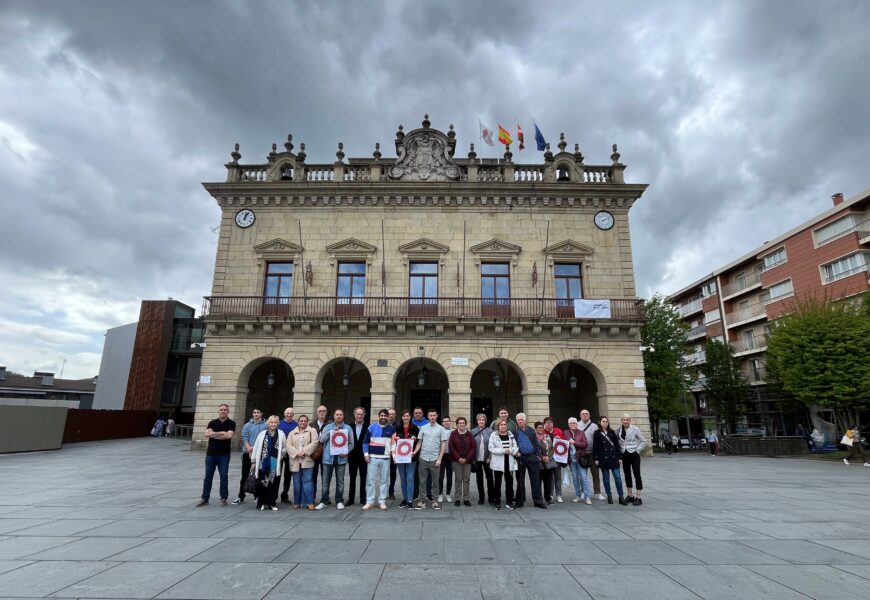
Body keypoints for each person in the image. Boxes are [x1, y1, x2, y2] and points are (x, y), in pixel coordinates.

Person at [197, 404, 236, 507]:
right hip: (211, 454)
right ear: (218, 411)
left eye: (225, 410)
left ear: (228, 411)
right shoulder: (212, 422)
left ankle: (223, 498)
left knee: (224, 476)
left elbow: (229, 436)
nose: (223, 411)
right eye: (221, 410)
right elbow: (207, 434)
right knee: (208, 476)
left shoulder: (231, 423)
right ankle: (205, 498)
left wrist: (214, 434)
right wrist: (222, 433)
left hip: (224, 455)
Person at [316, 408, 353, 510]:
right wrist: (331, 432)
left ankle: (339, 500)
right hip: (328, 459)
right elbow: (321, 440)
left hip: (341, 459)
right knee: (325, 482)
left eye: (341, 414)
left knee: (340, 482)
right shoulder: (328, 427)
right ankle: (324, 500)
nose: (339, 416)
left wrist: (346, 452)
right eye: (337, 414)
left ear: (343, 416)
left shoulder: (348, 428)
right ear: (334, 416)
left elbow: (351, 444)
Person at [250, 415, 287, 510]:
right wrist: (254, 461)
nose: (273, 424)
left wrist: (282, 454)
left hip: (274, 462)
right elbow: (256, 447)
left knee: (273, 482)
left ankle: (272, 503)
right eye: (271, 422)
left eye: (275, 422)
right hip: (263, 462)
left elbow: (284, 446)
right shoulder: (262, 434)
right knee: (263, 482)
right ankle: (261, 503)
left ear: (278, 423)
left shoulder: (281, 434)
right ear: (268, 423)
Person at [362, 409, 396, 510]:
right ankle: (369, 501)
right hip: (372, 458)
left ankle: (382, 501)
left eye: (385, 416)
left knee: (384, 481)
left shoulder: (392, 429)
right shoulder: (371, 427)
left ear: (388, 417)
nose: (383, 417)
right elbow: (365, 442)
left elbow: (394, 444)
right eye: (382, 415)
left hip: (386, 458)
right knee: (370, 481)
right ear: (379, 416)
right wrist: (366, 454)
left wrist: (394, 457)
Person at [233, 407, 267, 505]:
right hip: (247, 453)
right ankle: (241, 496)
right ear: (252, 414)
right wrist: (249, 449)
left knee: (258, 476)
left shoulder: (265, 425)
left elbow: (265, 438)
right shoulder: (247, 425)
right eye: (254, 412)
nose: (256, 414)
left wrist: (254, 449)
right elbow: (245, 437)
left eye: (258, 412)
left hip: (260, 454)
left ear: (261, 413)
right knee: (244, 476)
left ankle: (257, 496)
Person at [413, 408, 446, 510]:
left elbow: (443, 444)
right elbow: (419, 442)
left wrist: (440, 458)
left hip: (435, 458)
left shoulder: (441, 429)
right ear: (427, 416)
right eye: (430, 415)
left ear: (437, 416)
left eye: (434, 415)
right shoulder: (423, 428)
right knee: (422, 481)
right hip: (423, 458)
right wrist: (414, 452)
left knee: (435, 481)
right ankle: (422, 500)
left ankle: (435, 500)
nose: (432, 417)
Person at [514, 413, 547, 509]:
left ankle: (538, 501)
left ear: (525, 420)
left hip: (532, 457)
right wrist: (516, 453)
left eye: (521, 419)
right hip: (521, 458)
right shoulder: (514, 431)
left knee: (536, 480)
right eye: (518, 420)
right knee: (520, 480)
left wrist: (537, 455)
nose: (520, 421)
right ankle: (520, 500)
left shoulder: (531, 430)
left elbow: (537, 444)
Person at [287, 415, 319, 510]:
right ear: (298, 422)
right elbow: (288, 445)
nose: (303, 423)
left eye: (305, 421)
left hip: (307, 460)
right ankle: (297, 502)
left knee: (308, 481)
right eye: (301, 421)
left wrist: (304, 451)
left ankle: (309, 502)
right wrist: (297, 453)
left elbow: (315, 442)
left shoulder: (312, 431)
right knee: (296, 482)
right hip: (296, 461)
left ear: (307, 422)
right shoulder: (292, 433)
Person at [594, 416, 627, 505]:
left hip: (613, 458)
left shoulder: (612, 432)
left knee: (618, 478)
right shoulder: (597, 433)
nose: (605, 423)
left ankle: (621, 497)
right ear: (600, 422)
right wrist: (596, 458)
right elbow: (595, 447)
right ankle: (609, 496)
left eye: (606, 421)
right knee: (606, 479)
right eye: (603, 421)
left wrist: (620, 457)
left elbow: (616, 445)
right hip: (603, 459)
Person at [487, 419, 519, 510]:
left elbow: (515, 447)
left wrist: (511, 450)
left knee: (509, 483)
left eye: (505, 424)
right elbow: (491, 448)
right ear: (498, 426)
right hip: (498, 463)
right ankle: (497, 501)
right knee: (497, 483)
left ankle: (509, 501)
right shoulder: (494, 435)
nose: (503, 426)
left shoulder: (510, 435)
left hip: (509, 462)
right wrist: (503, 451)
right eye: (501, 424)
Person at [392, 410, 420, 508]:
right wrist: (396, 440)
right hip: (400, 458)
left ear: (410, 417)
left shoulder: (415, 428)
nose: (406, 418)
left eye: (407, 416)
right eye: (404, 416)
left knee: (410, 477)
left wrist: (415, 449)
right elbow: (392, 442)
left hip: (411, 457)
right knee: (403, 478)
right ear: (402, 417)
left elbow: (419, 442)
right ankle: (404, 499)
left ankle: (410, 500)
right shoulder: (396, 427)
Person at [618, 414, 646, 506]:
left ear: (630, 421)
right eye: (624, 420)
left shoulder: (635, 429)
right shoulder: (619, 430)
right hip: (624, 454)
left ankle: (638, 497)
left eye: (627, 420)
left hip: (634, 454)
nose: (625, 421)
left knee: (637, 474)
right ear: (621, 421)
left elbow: (643, 441)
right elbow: (619, 442)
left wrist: (637, 450)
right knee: (627, 475)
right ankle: (630, 495)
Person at [449, 417, 476, 507]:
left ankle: (466, 498)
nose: (462, 424)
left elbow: (473, 447)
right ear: (457, 424)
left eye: (463, 423)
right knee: (458, 479)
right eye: (460, 423)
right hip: (456, 461)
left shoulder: (469, 434)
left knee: (466, 479)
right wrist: (458, 458)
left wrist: (467, 458)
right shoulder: (453, 434)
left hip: (467, 461)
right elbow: (451, 447)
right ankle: (457, 498)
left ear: (466, 424)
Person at [579, 409, 605, 500]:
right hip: (582, 454)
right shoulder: (577, 425)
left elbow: (598, 439)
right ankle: (583, 492)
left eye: (587, 414)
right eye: (583, 414)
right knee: (583, 475)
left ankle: (597, 493)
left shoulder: (594, 426)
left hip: (593, 454)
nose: (585, 415)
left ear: (589, 415)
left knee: (596, 474)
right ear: (580, 416)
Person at [565, 417, 592, 504]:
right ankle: (578, 495)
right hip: (571, 460)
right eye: (571, 423)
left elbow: (585, 444)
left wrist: (574, 442)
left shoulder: (581, 433)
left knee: (583, 478)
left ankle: (587, 496)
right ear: (568, 425)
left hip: (580, 459)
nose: (573, 424)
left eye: (574, 423)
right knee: (575, 478)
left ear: (577, 424)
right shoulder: (565, 433)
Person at [471, 413, 495, 506]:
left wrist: (489, 457)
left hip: (487, 459)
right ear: (477, 421)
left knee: (489, 478)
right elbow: (471, 446)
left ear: (485, 421)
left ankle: (491, 498)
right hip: (477, 459)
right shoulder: (473, 431)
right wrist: (473, 458)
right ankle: (481, 498)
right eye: (479, 420)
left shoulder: (490, 431)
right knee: (479, 479)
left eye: (483, 420)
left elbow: (492, 445)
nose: (481, 421)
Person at [347, 407, 368, 506]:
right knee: (352, 478)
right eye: (357, 414)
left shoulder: (368, 426)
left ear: (364, 415)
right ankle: (351, 498)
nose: (359, 416)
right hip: (352, 456)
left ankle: (363, 498)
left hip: (364, 457)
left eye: (361, 414)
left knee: (363, 478)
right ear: (354, 415)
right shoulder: (349, 426)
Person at [277, 407, 297, 503]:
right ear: (284, 414)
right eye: (287, 413)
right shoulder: (278, 423)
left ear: (293, 414)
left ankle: (285, 494)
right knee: (277, 473)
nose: (289, 415)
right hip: (279, 452)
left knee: (288, 475)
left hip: (291, 453)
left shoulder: (296, 425)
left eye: (290, 413)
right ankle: (274, 494)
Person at [543, 417, 565, 502]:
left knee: (558, 477)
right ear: (544, 424)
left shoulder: (558, 431)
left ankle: (559, 495)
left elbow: (565, 442)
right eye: (547, 422)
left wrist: (561, 439)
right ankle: (550, 494)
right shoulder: (543, 432)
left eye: (551, 422)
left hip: (558, 458)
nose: (549, 424)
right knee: (549, 478)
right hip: (548, 458)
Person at [536, 421, 557, 505]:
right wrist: (542, 457)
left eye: (542, 427)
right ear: (536, 428)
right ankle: (538, 499)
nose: (541, 429)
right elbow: (534, 450)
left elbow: (552, 448)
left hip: (548, 463)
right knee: (537, 482)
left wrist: (548, 457)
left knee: (548, 482)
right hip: (538, 464)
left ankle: (548, 498)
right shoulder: (533, 438)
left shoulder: (547, 436)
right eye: (539, 428)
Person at [311, 404, 329, 496]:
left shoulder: (330, 424)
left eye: (323, 411)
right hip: (314, 454)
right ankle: (312, 497)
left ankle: (325, 498)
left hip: (326, 454)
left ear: (326, 413)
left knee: (325, 477)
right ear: (317, 413)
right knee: (312, 476)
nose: (321, 413)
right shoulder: (311, 424)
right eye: (320, 411)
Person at [438, 416, 454, 503]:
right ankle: (440, 494)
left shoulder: (454, 432)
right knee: (440, 476)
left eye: (448, 421)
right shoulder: (439, 431)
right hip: (441, 455)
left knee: (449, 477)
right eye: (444, 421)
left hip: (450, 456)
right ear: (442, 423)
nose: (446, 422)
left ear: (450, 422)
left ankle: (448, 494)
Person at [387, 407, 398, 500]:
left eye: (393, 414)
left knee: (393, 473)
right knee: (383, 473)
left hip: (394, 453)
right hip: (384, 453)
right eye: (389, 414)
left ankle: (391, 491)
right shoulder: (383, 425)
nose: (391, 415)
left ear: (395, 415)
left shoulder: (398, 425)